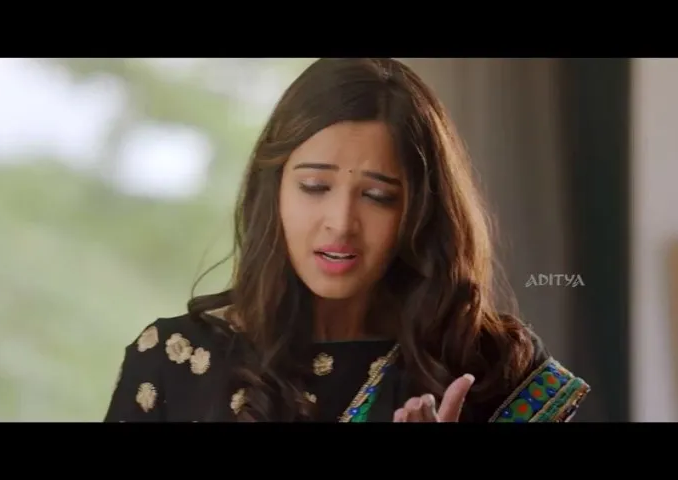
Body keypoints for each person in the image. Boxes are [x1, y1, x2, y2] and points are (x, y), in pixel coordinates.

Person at [103, 58, 590, 423]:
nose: (341, 223)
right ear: (272, 192)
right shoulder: (174, 362)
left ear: (419, 211)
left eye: (378, 196)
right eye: (315, 187)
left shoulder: (490, 370)